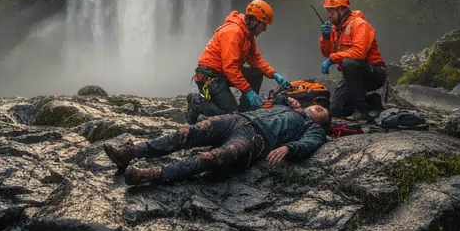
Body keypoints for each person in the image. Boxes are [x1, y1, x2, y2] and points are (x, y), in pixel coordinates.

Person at [103, 97, 330, 186]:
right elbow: (274, 98)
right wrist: (285, 98)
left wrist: (289, 148)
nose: (322, 108)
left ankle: (150, 174)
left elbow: (310, 144)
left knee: (211, 158)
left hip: (254, 138)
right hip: (237, 119)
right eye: (318, 105)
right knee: (187, 133)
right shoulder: (287, 106)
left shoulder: (312, 128)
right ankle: (132, 152)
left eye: (324, 112)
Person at [185, 0, 289, 124]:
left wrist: (274, 74)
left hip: (222, 73)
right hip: (209, 76)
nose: (265, 28)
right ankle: (197, 103)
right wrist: (248, 91)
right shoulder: (233, 32)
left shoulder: (247, 34)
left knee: (257, 73)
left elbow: (255, 58)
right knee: (230, 113)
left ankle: (245, 113)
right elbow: (230, 68)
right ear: (255, 21)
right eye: (264, 24)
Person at [318, 0, 388, 120]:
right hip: (352, 75)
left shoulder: (359, 24)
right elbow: (327, 53)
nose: (328, 15)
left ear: (342, 9)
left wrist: (332, 59)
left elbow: (359, 53)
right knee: (335, 111)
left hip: (375, 72)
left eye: (331, 11)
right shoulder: (336, 29)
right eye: (327, 11)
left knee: (348, 63)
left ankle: (361, 110)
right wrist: (325, 38)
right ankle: (372, 101)